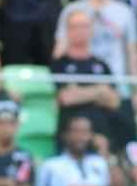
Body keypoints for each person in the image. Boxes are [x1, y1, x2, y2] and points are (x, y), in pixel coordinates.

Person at [55, 0, 137, 136]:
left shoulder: (124, 12)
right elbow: (60, 49)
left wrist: (136, 90)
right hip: (81, 85)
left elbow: (132, 53)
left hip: (115, 87)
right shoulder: (73, 10)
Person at [50, 10, 124, 150]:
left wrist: (81, 93)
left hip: (102, 134)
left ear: (91, 30)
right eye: (75, 26)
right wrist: (100, 91)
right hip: (70, 136)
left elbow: (114, 101)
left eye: (84, 26)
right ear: (67, 31)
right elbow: (66, 97)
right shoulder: (59, 64)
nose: (80, 31)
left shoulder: (102, 65)